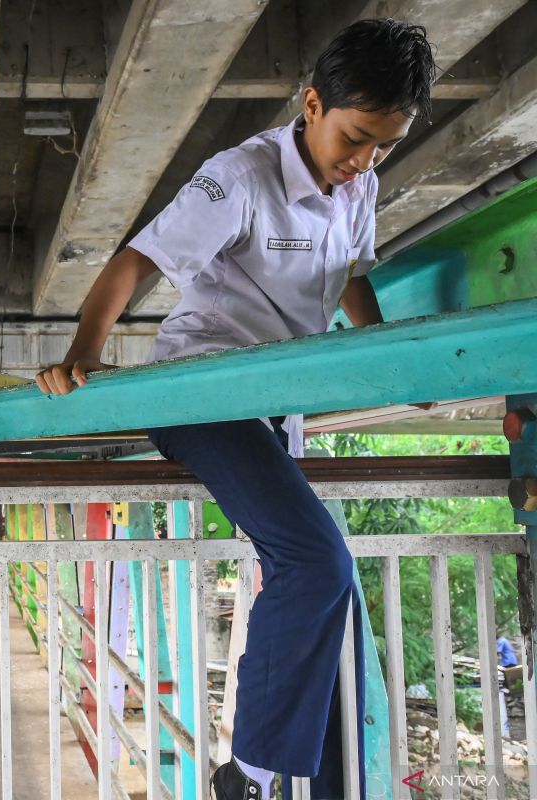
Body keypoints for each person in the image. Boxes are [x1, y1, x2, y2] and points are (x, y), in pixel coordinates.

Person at [36, 19, 435, 800]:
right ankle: (247, 773)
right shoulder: (240, 175)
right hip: (206, 394)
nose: (364, 161)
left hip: (278, 403)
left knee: (331, 593)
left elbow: (351, 271)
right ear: (313, 105)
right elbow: (138, 259)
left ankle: (337, 785)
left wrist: (381, 353)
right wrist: (83, 350)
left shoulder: (361, 184)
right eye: (355, 138)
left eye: (382, 147)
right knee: (317, 561)